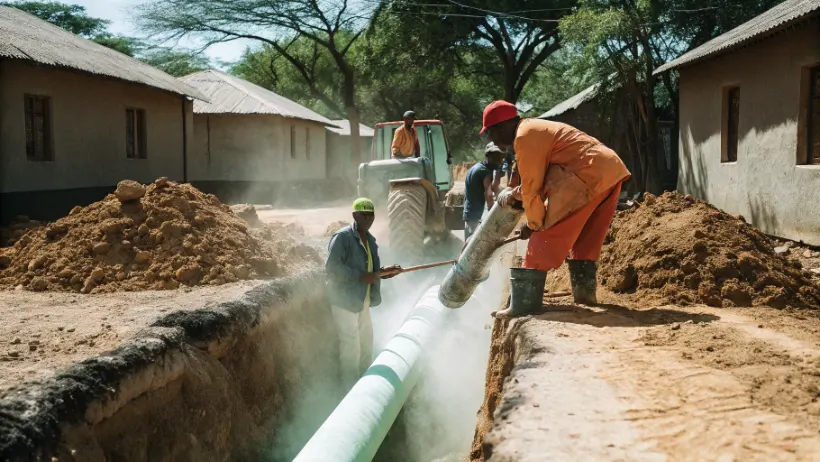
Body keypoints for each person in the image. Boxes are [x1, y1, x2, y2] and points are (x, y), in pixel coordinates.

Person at [481, 100, 631, 311]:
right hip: (609, 170)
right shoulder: (533, 129)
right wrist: (516, 194)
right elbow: (529, 180)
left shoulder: (524, 136)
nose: (492, 140)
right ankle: (585, 299)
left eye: (490, 133)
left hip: (588, 174)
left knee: (543, 238)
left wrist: (533, 225)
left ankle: (523, 306)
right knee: (586, 241)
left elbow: (532, 189)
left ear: (501, 127)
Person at [325, 198, 401, 387]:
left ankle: (366, 385)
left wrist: (383, 273)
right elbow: (332, 268)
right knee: (351, 346)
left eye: (371, 215)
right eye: (364, 215)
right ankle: (349, 387)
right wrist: (360, 276)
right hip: (345, 301)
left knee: (366, 343)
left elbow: (369, 271)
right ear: (354, 215)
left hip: (363, 300)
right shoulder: (342, 238)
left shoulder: (370, 241)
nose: (368, 219)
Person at [463, 142, 506, 240]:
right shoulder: (485, 172)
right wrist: (493, 214)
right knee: (474, 243)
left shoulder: (476, 167)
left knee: (468, 242)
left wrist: (498, 178)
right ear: (489, 156)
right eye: (497, 158)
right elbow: (489, 195)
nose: (500, 161)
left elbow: (494, 188)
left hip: (469, 212)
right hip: (476, 215)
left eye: (500, 158)